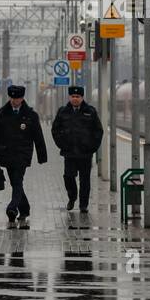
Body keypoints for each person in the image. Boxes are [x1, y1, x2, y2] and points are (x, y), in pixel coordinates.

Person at [0, 84, 48, 228]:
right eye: (13, 98)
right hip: (6, 154)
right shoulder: (2, 113)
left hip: (23, 154)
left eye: (18, 98)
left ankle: (12, 208)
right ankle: (25, 209)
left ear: (22, 98)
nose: (15, 101)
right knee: (15, 182)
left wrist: (42, 156)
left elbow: (38, 136)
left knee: (17, 180)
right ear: (10, 97)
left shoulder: (31, 115)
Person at [50, 84, 104, 213]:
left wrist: (92, 147)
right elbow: (55, 130)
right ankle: (72, 197)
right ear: (69, 97)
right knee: (68, 177)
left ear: (82, 97)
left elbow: (98, 131)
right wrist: (62, 144)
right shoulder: (63, 112)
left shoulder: (90, 111)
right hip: (69, 153)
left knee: (85, 181)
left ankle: (83, 205)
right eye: (73, 96)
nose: (75, 99)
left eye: (78, 96)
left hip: (85, 154)